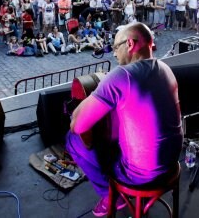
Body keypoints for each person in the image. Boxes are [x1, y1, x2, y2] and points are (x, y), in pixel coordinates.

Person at [66, 22, 183, 216]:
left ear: (129, 43)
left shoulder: (122, 75)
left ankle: (109, 195)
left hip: (140, 176)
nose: (113, 54)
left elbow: (77, 125)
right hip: (171, 162)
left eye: (115, 47)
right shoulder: (165, 68)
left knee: (72, 139)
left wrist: (98, 91)